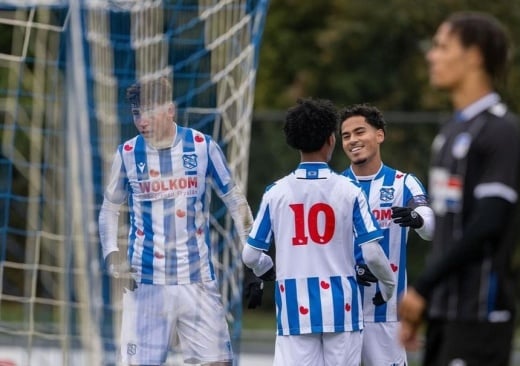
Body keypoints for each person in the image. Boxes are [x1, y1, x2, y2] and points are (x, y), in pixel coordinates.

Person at [98, 76, 253, 366]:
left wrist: (252, 252)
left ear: (170, 110)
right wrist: (112, 254)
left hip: (197, 281)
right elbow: (109, 207)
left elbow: (234, 199)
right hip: (146, 284)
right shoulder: (128, 154)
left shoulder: (203, 146)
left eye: (148, 111)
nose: (141, 120)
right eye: (135, 113)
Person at [398, 12, 520, 366]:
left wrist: (422, 286)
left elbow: (488, 224)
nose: (431, 56)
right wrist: (427, 301)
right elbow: (448, 230)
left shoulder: (500, 131)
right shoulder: (449, 134)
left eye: (441, 46)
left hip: (479, 314)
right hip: (442, 312)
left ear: (474, 56)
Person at [242, 98, 397, 366]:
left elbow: (251, 255)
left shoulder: (275, 193)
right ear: (331, 139)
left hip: (294, 310)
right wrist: (389, 284)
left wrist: (265, 269)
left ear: (294, 142)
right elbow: (372, 253)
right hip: (343, 310)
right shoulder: (350, 191)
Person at [339, 104, 435, 366]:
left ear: (379, 135)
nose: (353, 140)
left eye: (360, 132)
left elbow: (431, 227)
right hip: (342, 315)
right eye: (346, 136)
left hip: (386, 315)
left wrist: (416, 218)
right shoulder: (334, 186)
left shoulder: (404, 182)